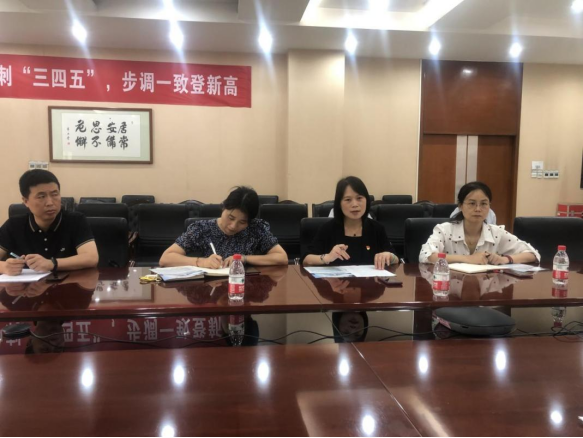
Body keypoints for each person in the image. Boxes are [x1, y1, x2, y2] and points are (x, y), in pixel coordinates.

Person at [0, 170, 99, 276]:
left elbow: (91, 258)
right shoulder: (13, 225)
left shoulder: (76, 220)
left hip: (68, 284)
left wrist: (52, 263)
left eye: (54, 194)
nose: (50, 203)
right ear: (25, 201)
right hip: (25, 286)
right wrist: (4, 267)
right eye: (41, 197)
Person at [160, 186, 288, 268]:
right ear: (223, 207)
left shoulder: (256, 229)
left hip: (243, 290)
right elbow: (166, 258)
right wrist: (202, 262)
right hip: (209, 292)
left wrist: (243, 258)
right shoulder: (202, 229)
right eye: (231, 218)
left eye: (242, 222)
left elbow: (281, 257)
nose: (233, 226)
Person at [419, 181, 540, 265]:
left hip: (484, 288)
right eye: (472, 203)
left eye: (483, 204)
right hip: (451, 287)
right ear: (460, 206)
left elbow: (533, 254)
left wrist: (504, 259)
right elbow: (426, 255)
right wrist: (468, 259)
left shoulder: (496, 233)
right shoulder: (444, 230)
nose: (478, 209)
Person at [303, 176, 398, 269]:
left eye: (359, 198)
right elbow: (306, 259)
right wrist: (327, 257)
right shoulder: (327, 229)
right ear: (339, 204)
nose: (355, 204)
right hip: (337, 279)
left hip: (369, 279)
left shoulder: (377, 228)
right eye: (348, 200)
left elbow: (396, 258)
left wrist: (389, 256)